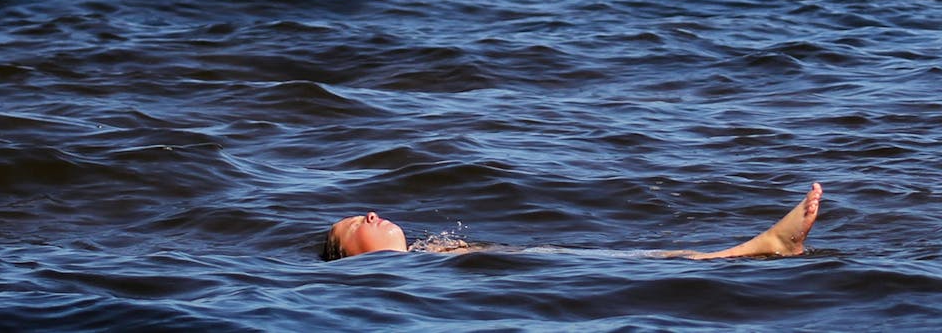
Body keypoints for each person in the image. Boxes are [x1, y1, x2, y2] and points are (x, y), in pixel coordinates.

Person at [321, 182, 823, 261]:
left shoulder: (426, 254)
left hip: (552, 266)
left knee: (631, 258)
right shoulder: (400, 277)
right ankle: (763, 247)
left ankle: (762, 247)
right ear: (352, 260)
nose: (372, 212)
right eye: (354, 223)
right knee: (636, 261)